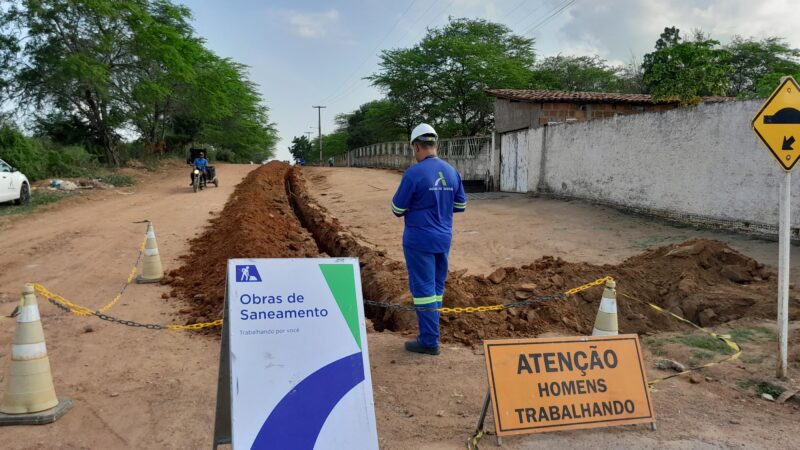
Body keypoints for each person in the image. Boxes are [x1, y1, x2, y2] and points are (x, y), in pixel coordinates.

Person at [391, 123, 467, 355]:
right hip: (443, 239)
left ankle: (429, 341)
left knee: (423, 290)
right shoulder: (452, 171)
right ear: (435, 144)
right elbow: (460, 205)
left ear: (416, 146)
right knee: (435, 288)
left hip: (419, 240)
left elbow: (397, 208)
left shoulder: (414, 173)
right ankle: (431, 333)